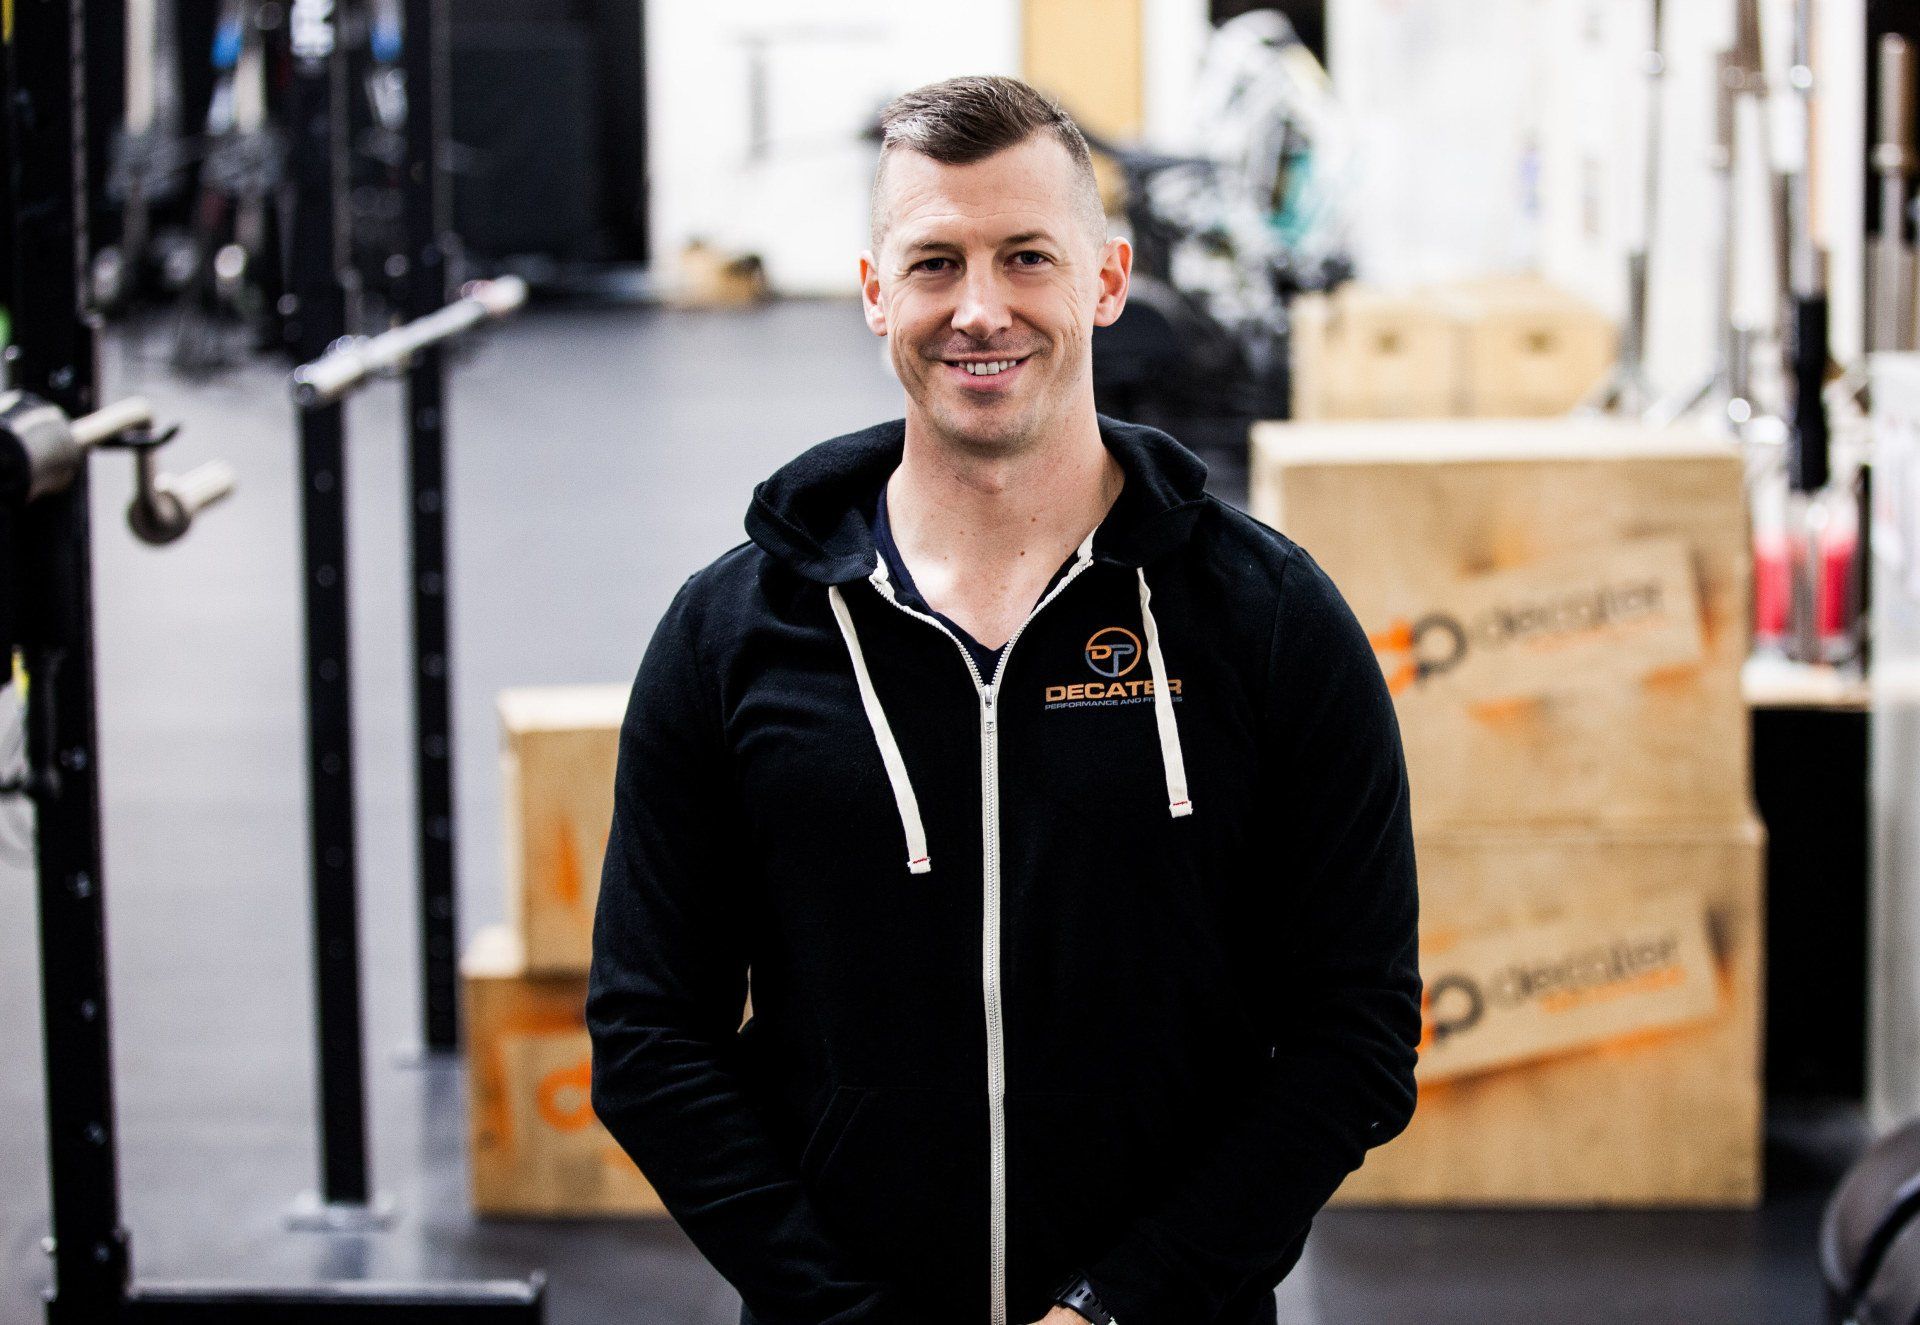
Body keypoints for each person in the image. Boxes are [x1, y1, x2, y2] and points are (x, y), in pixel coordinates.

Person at [587, 75, 1421, 1325]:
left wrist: (1119, 1306)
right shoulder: (733, 636)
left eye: (1027, 256)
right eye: (934, 263)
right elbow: (650, 1033)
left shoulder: (1267, 620)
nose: (980, 309)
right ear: (875, 294)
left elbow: (1355, 1031)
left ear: (1106, 278)